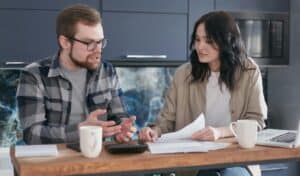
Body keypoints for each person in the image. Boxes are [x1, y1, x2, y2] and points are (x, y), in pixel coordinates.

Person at [139, 11, 267, 176]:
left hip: (237, 158)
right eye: (198, 40)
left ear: (226, 41)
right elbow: (166, 122)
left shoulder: (249, 71)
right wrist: (154, 132)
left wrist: (220, 132)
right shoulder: (183, 74)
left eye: (209, 41)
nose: (200, 47)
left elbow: (256, 121)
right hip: (195, 162)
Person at [17, 4, 136, 144]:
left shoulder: (107, 71)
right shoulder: (34, 75)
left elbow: (119, 116)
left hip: (99, 160)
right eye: (89, 43)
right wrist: (82, 131)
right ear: (65, 42)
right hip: (54, 163)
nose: (98, 50)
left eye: (100, 42)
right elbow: (32, 134)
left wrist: (122, 130)